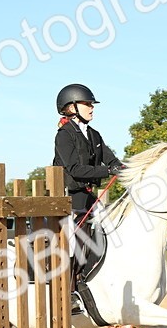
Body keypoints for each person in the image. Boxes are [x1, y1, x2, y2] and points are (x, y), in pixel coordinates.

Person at [52, 83, 124, 228]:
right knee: (75, 236)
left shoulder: (94, 134)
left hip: (88, 196)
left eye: (91, 104)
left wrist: (127, 169)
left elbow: (112, 161)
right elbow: (75, 169)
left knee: (109, 223)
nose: (92, 108)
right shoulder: (64, 135)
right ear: (72, 108)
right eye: (87, 104)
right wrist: (107, 171)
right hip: (69, 198)